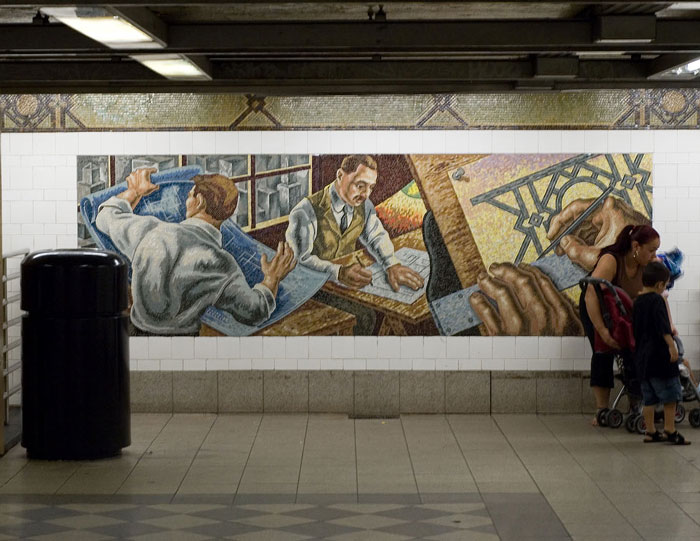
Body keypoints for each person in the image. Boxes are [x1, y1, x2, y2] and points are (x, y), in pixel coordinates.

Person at [96, 167, 297, 335]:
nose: (187, 200)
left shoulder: (150, 232)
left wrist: (135, 191)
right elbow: (254, 311)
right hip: (186, 343)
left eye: (190, 195)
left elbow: (106, 216)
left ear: (199, 201)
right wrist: (272, 278)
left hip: (135, 335)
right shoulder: (221, 263)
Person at [285, 154, 424, 292]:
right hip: (312, 289)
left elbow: (376, 236)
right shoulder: (304, 211)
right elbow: (299, 261)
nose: (366, 194)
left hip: (348, 285)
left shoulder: (364, 205)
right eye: (360, 185)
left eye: (371, 187)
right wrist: (338, 272)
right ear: (340, 176)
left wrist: (391, 264)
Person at [579, 223, 660, 423]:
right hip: (597, 307)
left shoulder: (647, 266)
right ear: (636, 247)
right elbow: (592, 293)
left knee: (634, 351)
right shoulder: (611, 260)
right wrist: (603, 331)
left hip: (623, 310)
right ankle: (601, 410)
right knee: (602, 352)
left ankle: (637, 404)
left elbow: (656, 297)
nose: (654, 255)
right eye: (651, 250)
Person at [633, 261, 690, 445]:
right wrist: (671, 346)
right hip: (659, 357)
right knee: (670, 396)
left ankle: (650, 431)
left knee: (648, 399)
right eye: (665, 285)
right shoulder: (657, 300)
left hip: (643, 358)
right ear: (659, 285)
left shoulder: (637, 302)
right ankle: (670, 429)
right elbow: (663, 327)